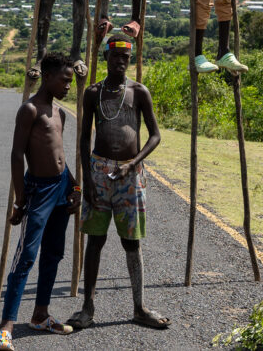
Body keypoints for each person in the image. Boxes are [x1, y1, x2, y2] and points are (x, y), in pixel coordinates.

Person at [67, 34, 169, 331]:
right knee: (95, 241)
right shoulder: (93, 93)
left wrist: (133, 164)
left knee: (131, 242)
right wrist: (87, 181)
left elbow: (155, 135)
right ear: (107, 59)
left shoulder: (139, 92)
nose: (121, 62)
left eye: (126, 58)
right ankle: (87, 308)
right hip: (98, 173)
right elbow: (85, 138)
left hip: (130, 175)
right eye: (116, 57)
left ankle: (139, 307)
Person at [0, 53, 82, 351]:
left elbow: (59, 156)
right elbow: (17, 155)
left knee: (54, 253)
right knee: (26, 256)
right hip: (38, 191)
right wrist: (19, 200)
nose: (69, 85)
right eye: (64, 80)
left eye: (70, 80)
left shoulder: (60, 113)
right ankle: (6, 328)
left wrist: (74, 186)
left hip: (60, 188)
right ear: (47, 77)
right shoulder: (29, 111)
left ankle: (41, 314)